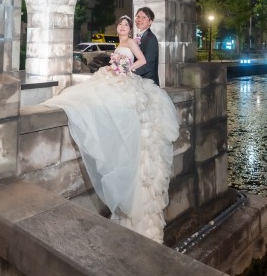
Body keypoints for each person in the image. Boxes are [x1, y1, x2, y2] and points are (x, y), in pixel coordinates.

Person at [42, 15, 179, 243]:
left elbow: (143, 61)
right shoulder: (118, 44)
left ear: (130, 29)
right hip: (116, 76)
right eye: (120, 24)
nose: (122, 27)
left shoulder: (133, 43)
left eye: (126, 25)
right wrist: (116, 66)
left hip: (127, 80)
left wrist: (126, 69)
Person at [132, 7, 159, 85]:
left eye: (144, 17)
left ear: (150, 22)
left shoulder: (151, 38)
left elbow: (148, 65)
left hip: (147, 81)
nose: (139, 20)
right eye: (138, 17)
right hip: (139, 80)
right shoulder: (139, 36)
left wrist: (130, 72)